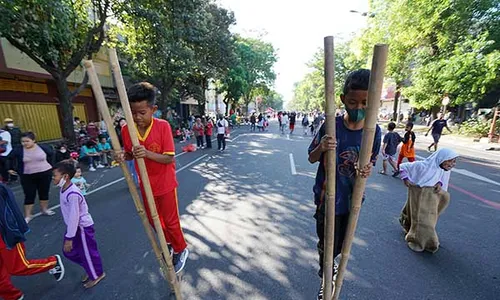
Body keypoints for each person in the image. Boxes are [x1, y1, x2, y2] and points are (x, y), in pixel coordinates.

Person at [308, 69, 381, 300]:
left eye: (365, 103)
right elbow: (311, 157)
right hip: (326, 198)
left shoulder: (374, 132)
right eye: (352, 102)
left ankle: (331, 267)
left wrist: (366, 168)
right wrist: (323, 147)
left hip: (352, 200)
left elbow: (370, 162)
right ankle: (325, 278)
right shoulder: (331, 126)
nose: (358, 108)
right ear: (342, 100)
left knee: (339, 245)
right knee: (325, 245)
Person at [120, 82, 189, 273]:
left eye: (142, 112)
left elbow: (168, 158)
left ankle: (181, 249)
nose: (137, 117)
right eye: (133, 113)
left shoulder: (163, 126)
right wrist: (122, 156)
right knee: (153, 220)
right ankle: (167, 242)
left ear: (153, 109)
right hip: (145, 184)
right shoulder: (127, 130)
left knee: (171, 221)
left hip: (165, 184)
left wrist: (147, 153)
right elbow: (130, 154)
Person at [0, 183, 65, 300]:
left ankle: (52, 262)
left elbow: (8, 215)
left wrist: (14, 233)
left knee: (18, 267)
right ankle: (13, 296)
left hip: (5, 237)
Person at [53, 160, 105, 288]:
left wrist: (69, 238)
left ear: (65, 177)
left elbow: (74, 217)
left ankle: (97, 274)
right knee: (69, 252)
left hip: (81, 228)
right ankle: (90, 266)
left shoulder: (73, 194)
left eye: (55, 175)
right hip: (74, 228)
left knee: (88, 252)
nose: (53, 178)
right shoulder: (64, 188)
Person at [398, 148, 458, 253]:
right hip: (418, 193)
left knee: (420, 215)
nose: (453, 164)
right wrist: (405, 179)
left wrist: (440, 184)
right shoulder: (422, 166)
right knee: (424, 220)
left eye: (454, 161)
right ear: (441, 158)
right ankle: (424, 241)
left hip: (431, 197)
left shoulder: (442, 169)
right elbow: (403, 167)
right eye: (450, 160)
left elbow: (439, 179)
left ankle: (410, 227)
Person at [8, 132, 55, 223]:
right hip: (27, 175)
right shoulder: (18, 150)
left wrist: (51, 166)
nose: (25, 143)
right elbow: (9, 158)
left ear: (33, 140)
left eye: (27, 141)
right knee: (29, 194)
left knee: (44, 192)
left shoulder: (43, 147)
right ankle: (28, 215)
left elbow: (52, 154)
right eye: (23, 141)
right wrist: (10, 169)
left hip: (45, 173)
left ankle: (44, 209)